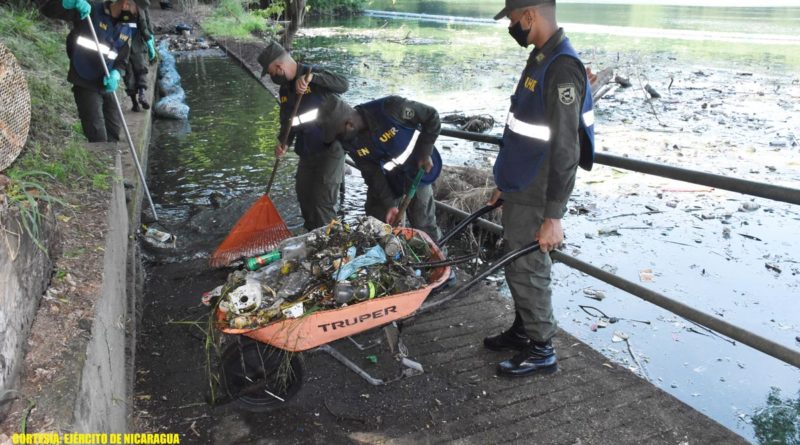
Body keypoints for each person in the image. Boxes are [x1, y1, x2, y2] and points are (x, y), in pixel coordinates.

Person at [484, 0, 595, 377]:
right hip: (521, 180)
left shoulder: (562, 66)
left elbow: (567, 147)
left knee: (529, 265)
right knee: (516, 259)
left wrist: (553, 215)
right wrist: (504, 182)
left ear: (530, 16)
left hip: (539, 185)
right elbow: (522, 128)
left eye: (514, 20)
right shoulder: (540, 58)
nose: (512, 27)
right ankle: (524, 329)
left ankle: (542, 347)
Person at [317, 95, 445, 242]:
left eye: (338, 134)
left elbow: (431, 116)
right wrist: (390, 204)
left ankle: (438, 260)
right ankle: (387, 256)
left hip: (416, 170)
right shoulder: (350, 142)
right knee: (376, 222)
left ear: (349, 125)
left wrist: (425, 152)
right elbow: (371, 173)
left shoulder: (391, 107)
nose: (340, 140)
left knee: (423, 223)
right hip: (388, 177)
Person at [257, 41, 349, 232]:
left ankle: (331, 245)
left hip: (330, 148)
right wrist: (284, 143)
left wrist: (313, 78)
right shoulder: (285, 90)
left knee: (322, 203)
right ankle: (312, 238)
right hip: (307, 151)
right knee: (305, 196)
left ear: (279, 66)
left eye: (271, 72)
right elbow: (288, 122)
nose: (272, 77)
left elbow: (343, 84)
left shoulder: (312, 73)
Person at [40, 0, 138, 142]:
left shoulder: (126, 28)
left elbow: (122, 60)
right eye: (135, 12)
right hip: (85, 78)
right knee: (97, 133)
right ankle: (100, 157)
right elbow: (48, 10)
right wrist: (68, 3)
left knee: (114, 130)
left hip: (106, 82)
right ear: (125, 4)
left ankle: (111, 162)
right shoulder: (91, 10)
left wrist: (116, 74)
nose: (135, 17)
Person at [124, 0, 156, 112]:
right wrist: (149, 38)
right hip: (136, 42)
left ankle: (135, 103)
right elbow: (144, 21)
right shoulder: (139, 5)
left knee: (129, 74)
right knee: (141, 69)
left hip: (122, 44)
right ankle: (141, 95)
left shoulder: (120, 5)